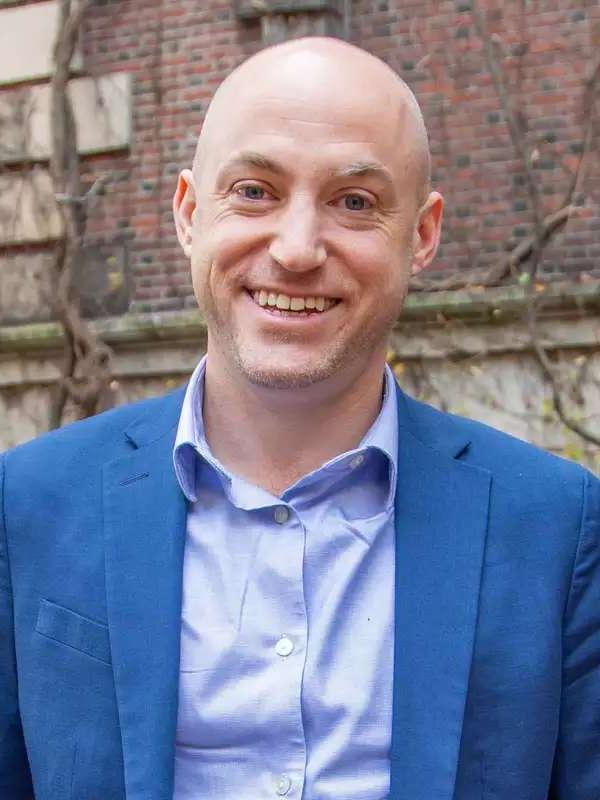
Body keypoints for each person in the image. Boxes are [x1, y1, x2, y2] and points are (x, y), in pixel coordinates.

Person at [1, 36, 599, 800]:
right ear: (189, 213)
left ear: (421, 235)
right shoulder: (28, 505)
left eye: (355, 203)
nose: (297, 248)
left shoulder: (556, 526)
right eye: (254, 190)